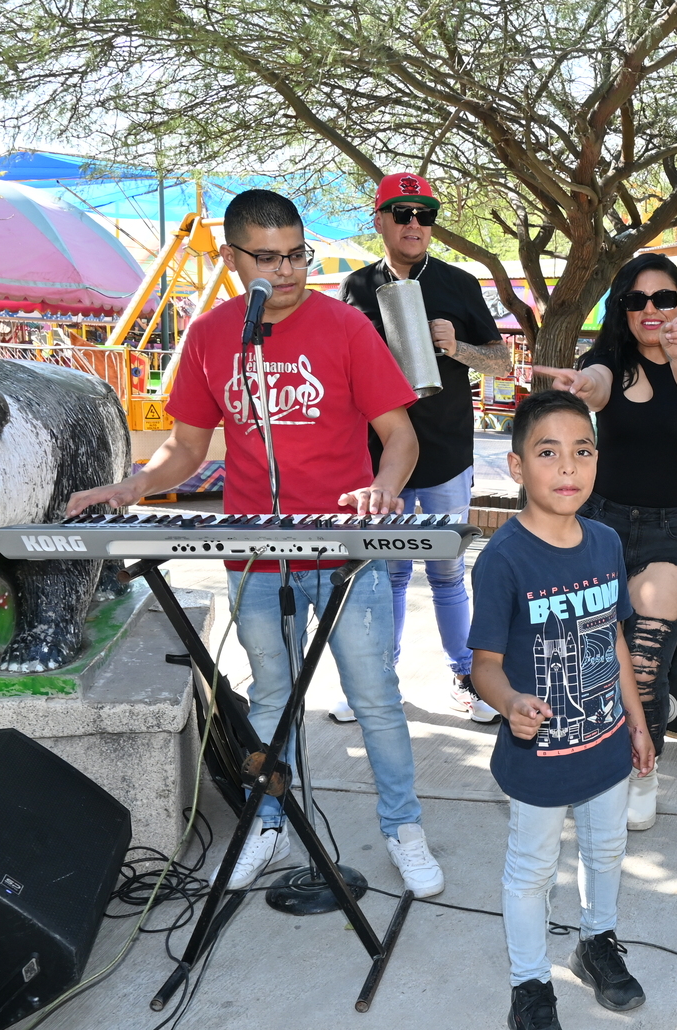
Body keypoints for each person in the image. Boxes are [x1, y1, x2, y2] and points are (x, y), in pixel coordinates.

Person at [66, 188, 445, 900]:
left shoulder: (346, 327)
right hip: (255, 553)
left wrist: (383, 489)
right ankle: (266, 823)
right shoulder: (211, 336)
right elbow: (185, 449)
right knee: (271, 695)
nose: (288, 271)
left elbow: (400, 436)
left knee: (374, 695)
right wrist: (133, 485)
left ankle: (403, 827)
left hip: (345, 551)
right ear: (232, 257)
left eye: (297, 254)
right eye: (268, 258)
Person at [467, 389, 657, 1030]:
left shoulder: (605, 542)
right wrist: (511, 702)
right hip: (539, 756)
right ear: (518, 466)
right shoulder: (503, 559)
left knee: (607, 851)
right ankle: (529, 987)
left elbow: (616, 640)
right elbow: (483, 666)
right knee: (532, 871)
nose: (568, 466)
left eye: (582, 451)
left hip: (606, 743)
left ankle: (596, 943)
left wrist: (639, 723)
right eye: (549, 452)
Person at [532, 253, 677, 832]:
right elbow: (595, 385)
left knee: (643, 659)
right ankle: (590, 762)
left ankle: (641, 771)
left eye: (663, 298)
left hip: (674, 531)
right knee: (588, 657)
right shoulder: (611, 363)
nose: (650, 309)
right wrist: (582, 385)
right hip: (602, 525)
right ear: (622, 309)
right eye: (635, 300)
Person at [341, 172, 510, 724]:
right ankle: (378, 681)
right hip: (382, 460)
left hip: (445, 455)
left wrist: (456, 346)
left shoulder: (459, 283)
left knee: (447, 572)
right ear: (380, 220)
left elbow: (502, 364)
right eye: (402, 212)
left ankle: (467, 678)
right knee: (386, 573)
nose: (414, 223)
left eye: (425, 214)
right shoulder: (357, 287)